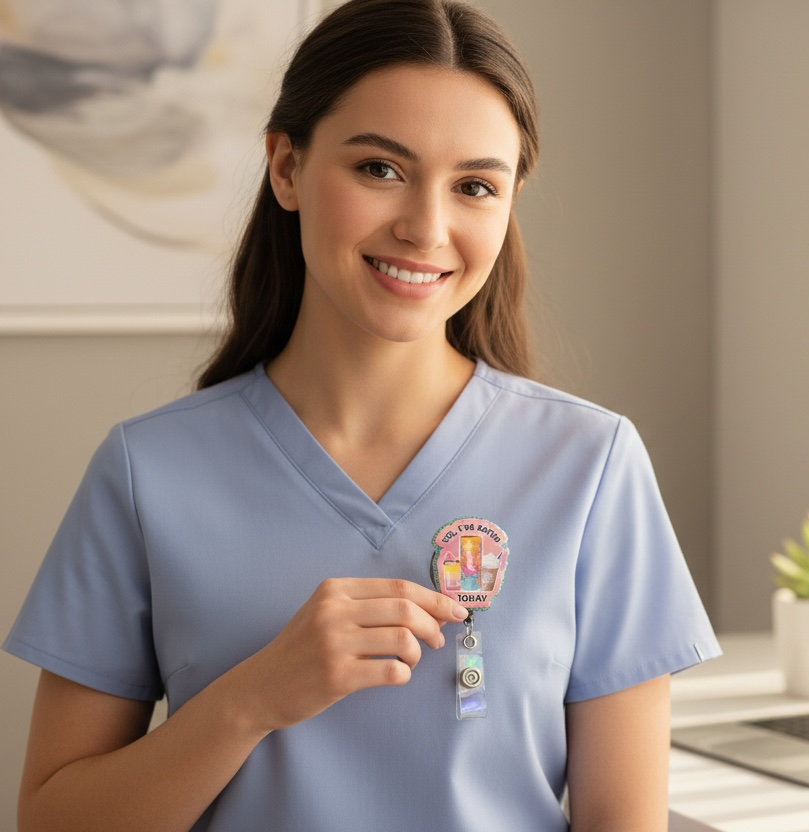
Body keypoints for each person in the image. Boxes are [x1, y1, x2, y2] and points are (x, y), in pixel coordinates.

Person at [3, 2, 719, 829]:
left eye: (476, 186)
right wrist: (252, 699)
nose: (426, 227)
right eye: (380, 169)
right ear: (285, 167)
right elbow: (53, 819)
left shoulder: (590, 466)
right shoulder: (145, 473)